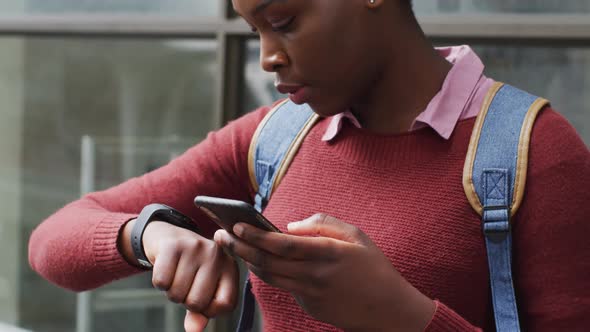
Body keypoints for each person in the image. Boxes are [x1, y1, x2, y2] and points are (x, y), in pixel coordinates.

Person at [29, 0, 590, 331]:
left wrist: (405, 317)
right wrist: (146, 235)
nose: (268, 55)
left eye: (285, 19)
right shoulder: (276, 136)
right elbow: (53, 243)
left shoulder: (532, 151)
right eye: (254, 30)